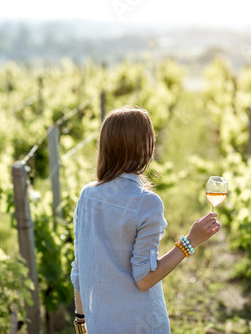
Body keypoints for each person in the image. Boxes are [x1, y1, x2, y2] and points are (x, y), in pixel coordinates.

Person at [71, 106, 221, 334]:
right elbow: (144, 279)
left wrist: (81, 323)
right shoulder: (147, 203)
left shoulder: (87, 196)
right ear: (145, 149)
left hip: (99, 325)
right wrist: (190, 242)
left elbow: (79, 269)